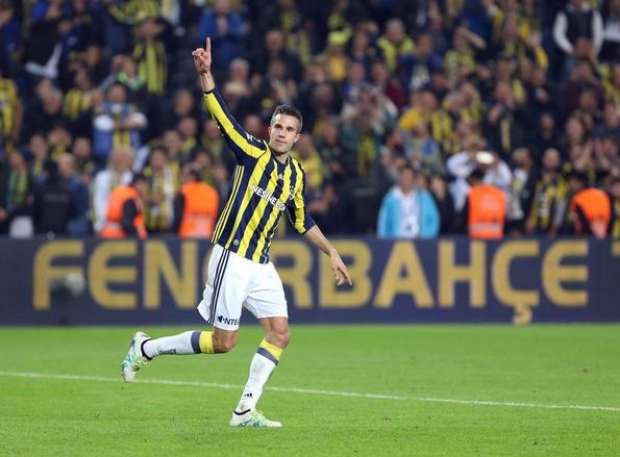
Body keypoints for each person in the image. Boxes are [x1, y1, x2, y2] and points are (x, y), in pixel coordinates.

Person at [120, 38, 352, 428]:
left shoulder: (296, 176)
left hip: (261, 263)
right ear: (270, 128)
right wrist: (206, 75)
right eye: (278, 126)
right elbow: (221, 113)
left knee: (280, 333)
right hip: (232, 255)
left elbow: (302, 221)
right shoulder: (252, 151)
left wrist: (332, 252)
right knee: (223, 342)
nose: (282, 133)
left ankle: (244, 410)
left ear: (297, 137)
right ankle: (146, 348)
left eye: (289, 129)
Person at [377, 164, 439, 238]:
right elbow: (383, 222)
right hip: (396, 241)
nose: (406, 179)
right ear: (400, 177)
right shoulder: (390, 198)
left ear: (413, 179)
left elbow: (434, 219)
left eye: (409, 177)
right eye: (404, 176)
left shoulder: (424, 197)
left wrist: (427, 237)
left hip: (420, 240)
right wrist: (383, 240)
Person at [173, 165, 219, 239]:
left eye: (185, 175)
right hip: (207, 236)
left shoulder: (184, 191)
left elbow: (178, 216)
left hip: (187, 236)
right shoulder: (213, 192)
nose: (181, 178)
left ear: (192, 177)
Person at [99, 173, 148, 239]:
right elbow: (127, 222)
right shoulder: (131, 198)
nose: (145, 189)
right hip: (120, 236)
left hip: (109, 233)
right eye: (145, 186)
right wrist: (136, 235)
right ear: (139, 184)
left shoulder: (122, 191)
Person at [462, 168, 507, 240]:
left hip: (476, 237)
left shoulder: (472, 194)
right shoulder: (499, 194)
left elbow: (464, 216)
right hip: (496, 237)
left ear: (473, 179)